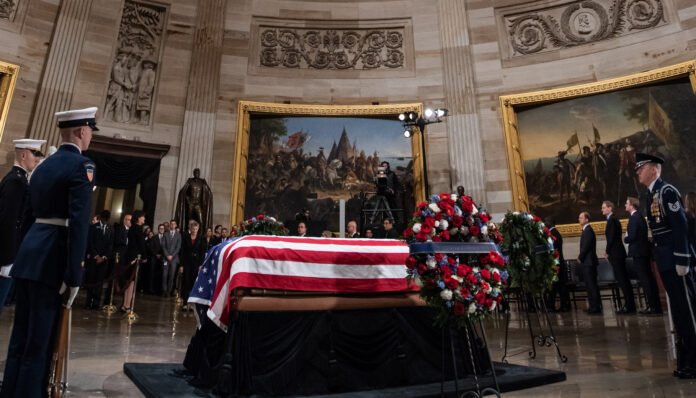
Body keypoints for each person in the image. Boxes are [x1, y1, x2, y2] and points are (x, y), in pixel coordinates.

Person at [1, 107, 97, 397]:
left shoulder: (43, 166)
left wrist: (23, 255)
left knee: (21, 338)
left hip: (30, 257)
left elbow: (28, 218)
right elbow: (79, 224)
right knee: (40, 344)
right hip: (52, 260)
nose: (91, 135)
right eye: (91, 130)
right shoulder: (83, 166)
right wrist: (75, 274)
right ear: (81, 131)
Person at [636, 153, 696, 378]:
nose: (638, 172)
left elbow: (680, 227)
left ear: (653, 169)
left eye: (641, 168)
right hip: (664, 259)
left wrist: (682, 260)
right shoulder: (650, 195)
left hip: (675, 260)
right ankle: (686, 360)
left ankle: (694, 361)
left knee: (687, 312)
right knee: (679, 313)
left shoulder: (666, 191)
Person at [0, 139, 46, 316]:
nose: (37, 159)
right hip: (6, 253)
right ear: (23, 154)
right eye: (35, 154)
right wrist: (8, 257)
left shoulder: (18, 180)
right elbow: (9, 221)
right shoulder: (16, 182)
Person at [624, 196, 662, 315]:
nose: (625, 205)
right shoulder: (639, 216)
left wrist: (625, 239)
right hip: (643, 251)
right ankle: (655, 306)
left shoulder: (634, 218)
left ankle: (652, 307)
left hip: (639, 252)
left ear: (632, 205)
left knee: (646, 280)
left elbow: (633, 236)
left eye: (627, 203)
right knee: (648, 279)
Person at [602, 200, 635, 314]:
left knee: (623, 280)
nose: (602, 209)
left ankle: (629, 306)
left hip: (616, 254)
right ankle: (629, 305)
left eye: (604, 207)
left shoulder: (612, 220)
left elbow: (611, 238)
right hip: (617, 253)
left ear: (610, 208)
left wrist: (607, 252)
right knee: (623, 280)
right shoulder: (612, 220)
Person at [84, 210, 113, 310]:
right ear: (101, 218)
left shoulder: (110, 229)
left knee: (100, 282)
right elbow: (90, 242)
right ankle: (88, 302)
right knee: (91, 281)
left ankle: (96, 303)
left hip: (103, 260)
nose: (106, 220)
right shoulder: (93, 227)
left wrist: (104, 257)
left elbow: (110, 245)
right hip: (93, 258)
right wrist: (96, 256)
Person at [120, 210, 146, 312]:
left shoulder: (132, 228)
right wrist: (144, 257)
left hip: (129, 256)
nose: (144, 218)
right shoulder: (138, 229)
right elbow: (141, 245)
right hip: (135, 257)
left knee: (128, 281)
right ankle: (127, 305)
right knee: (131, 282)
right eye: (143, 217)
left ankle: (125, 304)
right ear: (139, 218)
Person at [175, 168, 213, 233]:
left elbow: (208, 192)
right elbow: (183, 192)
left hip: (198, 204)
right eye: (196, 173)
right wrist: (187, 199)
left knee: (201, 220)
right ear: (194, 173)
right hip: (191, 204)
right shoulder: (190, 181)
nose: (197, 174)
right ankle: (188, 233)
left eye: (198, 173)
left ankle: (200, 235)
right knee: (189, 220)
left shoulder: (202, 182)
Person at [544, 216, 570, 312]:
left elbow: (552, 249)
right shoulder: (553, 233)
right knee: (558, 286)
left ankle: (562, 305)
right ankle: (562, 305)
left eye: (546, 221)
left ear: (550, 223)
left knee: (558, 286)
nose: (545, 223)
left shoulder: (554, 234)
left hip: (557, 264)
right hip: (557, 263)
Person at [578, 211, 601, 314]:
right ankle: (593, 306)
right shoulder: (586, 230)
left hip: (589, 262)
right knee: (589, 285)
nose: (579, 220)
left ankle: (595, 307)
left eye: (581, 218)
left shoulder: (588, 230)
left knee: (592, 285)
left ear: (587, 219)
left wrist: (580, 257)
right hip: (587, 261)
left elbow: (586, 246)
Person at [181, 220, 205, 309]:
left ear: (198, 229)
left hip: (196, 264)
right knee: (185, 282)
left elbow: (202, 252)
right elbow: (182, 251)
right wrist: (181, 265)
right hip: (186, 263)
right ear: (190, 229)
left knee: (193, 283)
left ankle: (191, 304)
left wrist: (201, 264)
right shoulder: (185, 237)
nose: (194, 230)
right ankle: (185, 302)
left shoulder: (201, 238)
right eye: (193, 228)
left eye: (196, 229)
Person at [162, 219, 181, 297]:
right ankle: (164, 290)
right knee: (164, 275)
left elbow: (178, 247)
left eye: (174, 224)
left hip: (174, 258)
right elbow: (163, 246)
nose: (172, 225)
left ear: (175, 225)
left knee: (172, 275)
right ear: (170, 225)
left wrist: (172, 255)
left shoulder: (178, 235)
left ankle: (169, 291)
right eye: (171, 224)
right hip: (166, 258)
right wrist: (167, 255)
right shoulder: (166, 234)